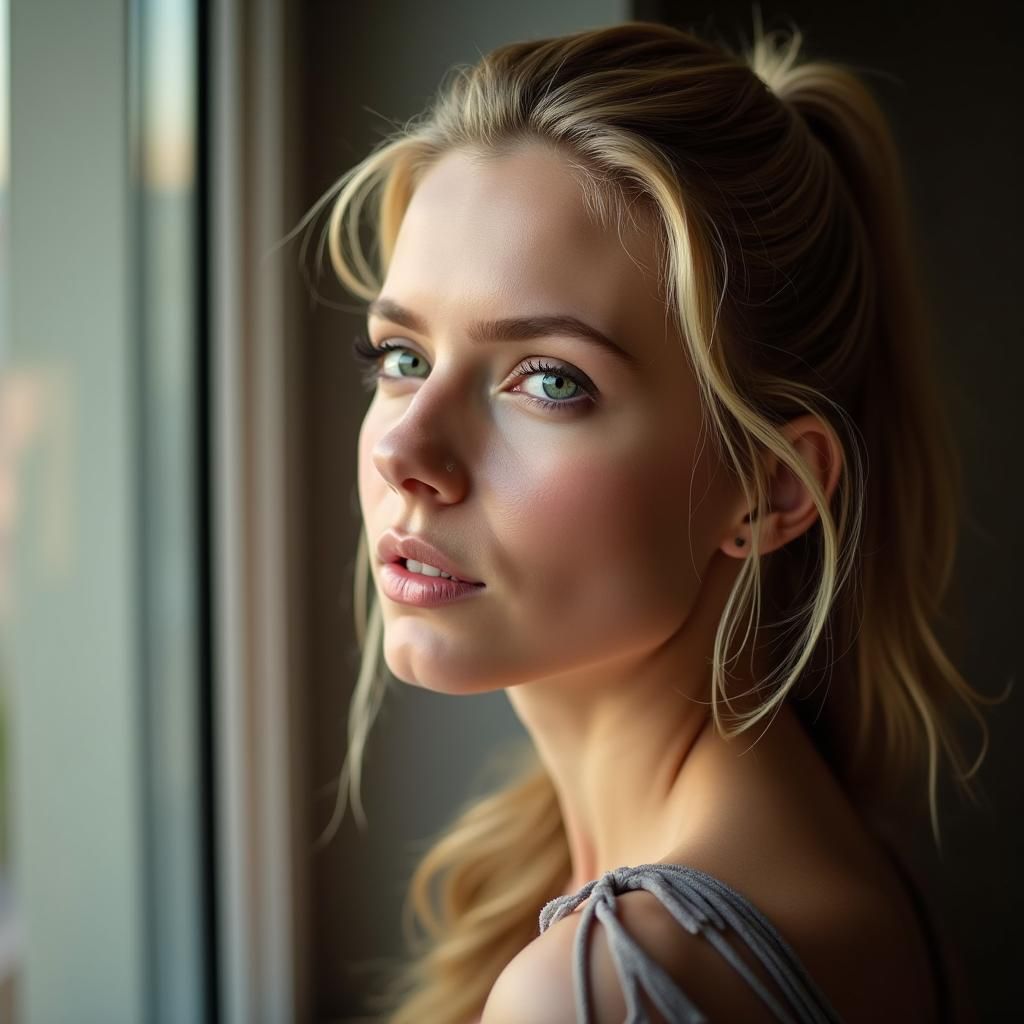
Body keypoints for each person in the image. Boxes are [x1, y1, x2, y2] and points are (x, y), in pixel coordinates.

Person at [302, 15, 1004, 1024]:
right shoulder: (810, 854)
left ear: (768, 487)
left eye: (545, 378)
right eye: (401, 357)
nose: (403, 452)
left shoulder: (607, 984)